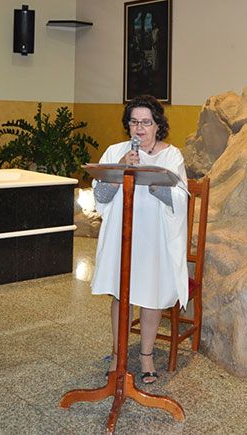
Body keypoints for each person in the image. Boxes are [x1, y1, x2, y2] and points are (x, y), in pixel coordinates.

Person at [91, 95, 189, 384]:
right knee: (120, 293)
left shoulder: (172, 156)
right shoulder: (116, 151)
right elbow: (100, 196)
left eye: (146, 122)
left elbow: (179, 200)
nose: (140, 128)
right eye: (134, 122)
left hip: (155, 236)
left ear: (158, 125)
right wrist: (120, 169)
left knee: (151, 293)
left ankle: (146, 356)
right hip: (122, 234)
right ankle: (118, 354)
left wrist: (153, 179)